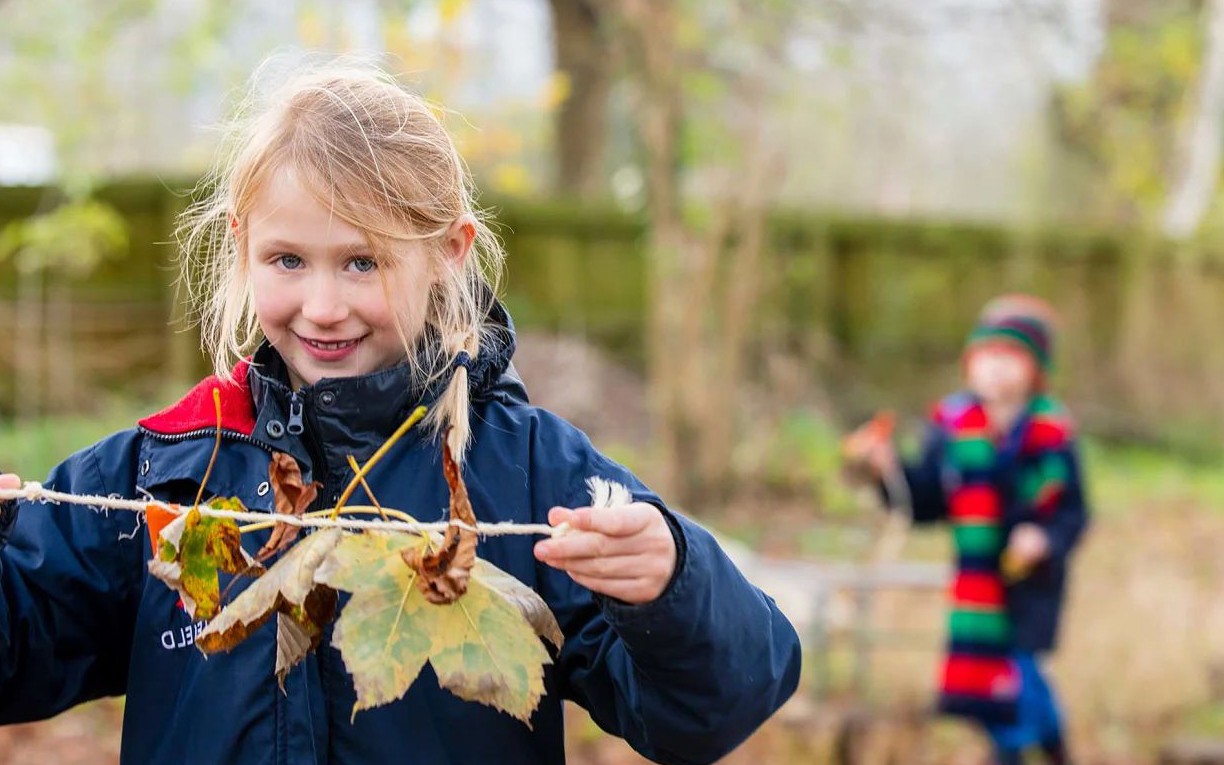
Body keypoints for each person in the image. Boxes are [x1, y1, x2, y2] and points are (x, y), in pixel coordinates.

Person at [0, 59, 801, 765]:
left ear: (449, 252)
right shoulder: (168, 470)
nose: (323, 306)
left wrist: (670, 584)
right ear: (242, 246)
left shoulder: (524, 472)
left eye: (362, 262)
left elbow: (710, 710)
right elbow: (18, 651)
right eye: (288, 260)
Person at [844, 295, 1089, 765]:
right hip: (976, 587)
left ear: (1035, 370)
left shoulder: (1052, 434)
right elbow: (927, 501)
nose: (995, 368)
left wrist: (1044, 538)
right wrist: (885, 469)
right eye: (986, 355)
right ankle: (1034, 748)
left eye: (1010, 356)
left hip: (1029, 587)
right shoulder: (952, 428)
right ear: (970, 364)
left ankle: (1034, 749)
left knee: (1022, 680)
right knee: (990, 688)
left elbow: (1074, 512)